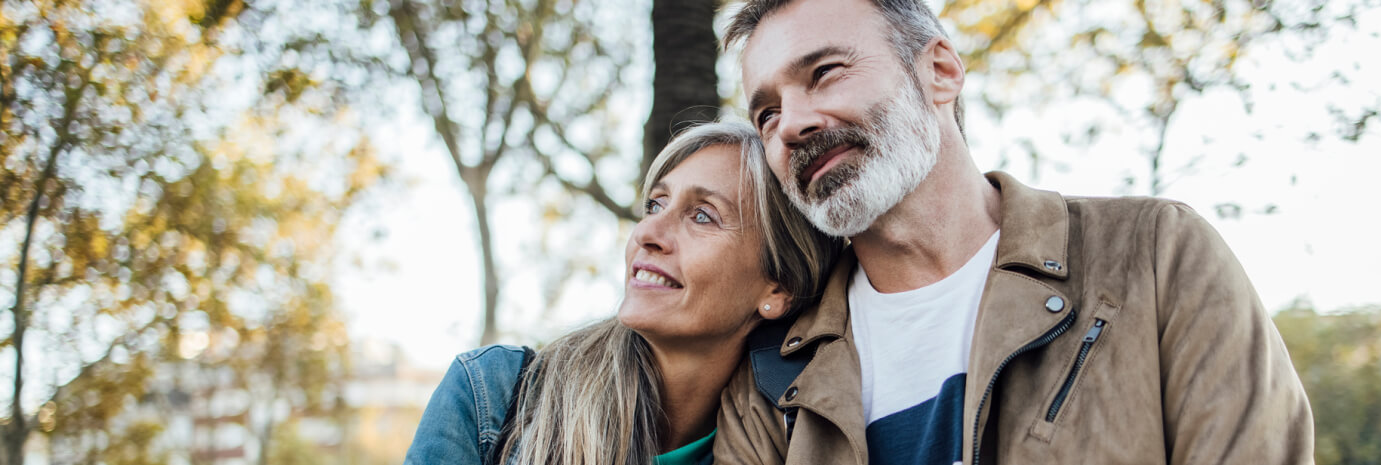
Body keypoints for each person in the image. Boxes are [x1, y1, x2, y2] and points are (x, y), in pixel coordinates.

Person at [713, 0, 1316, 464]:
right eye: (766, 114)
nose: (791, 125)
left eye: (824, 72)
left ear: (940, 72)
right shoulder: (769, 382)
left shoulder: (1156, 253)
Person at [402, 122, 844, 465]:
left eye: (703, 216)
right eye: (656, 204)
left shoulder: (794, 443)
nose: (649, 232)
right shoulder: (492, 397)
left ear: (779, 287)